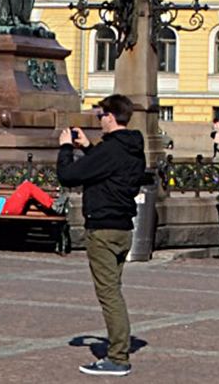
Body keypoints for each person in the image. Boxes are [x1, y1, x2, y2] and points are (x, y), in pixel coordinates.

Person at [57, 94, 150, 376]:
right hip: (123, 228)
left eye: (100, 115)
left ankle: (118, 357)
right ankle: (118, 350)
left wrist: (65, 148)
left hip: (103, 229)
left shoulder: (110, 149)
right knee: (113, 291)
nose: (99, 120)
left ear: (110, 116)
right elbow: (108, 171)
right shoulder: (133, 148)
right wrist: (88, 148)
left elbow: (68, 176)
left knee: (109, 295)